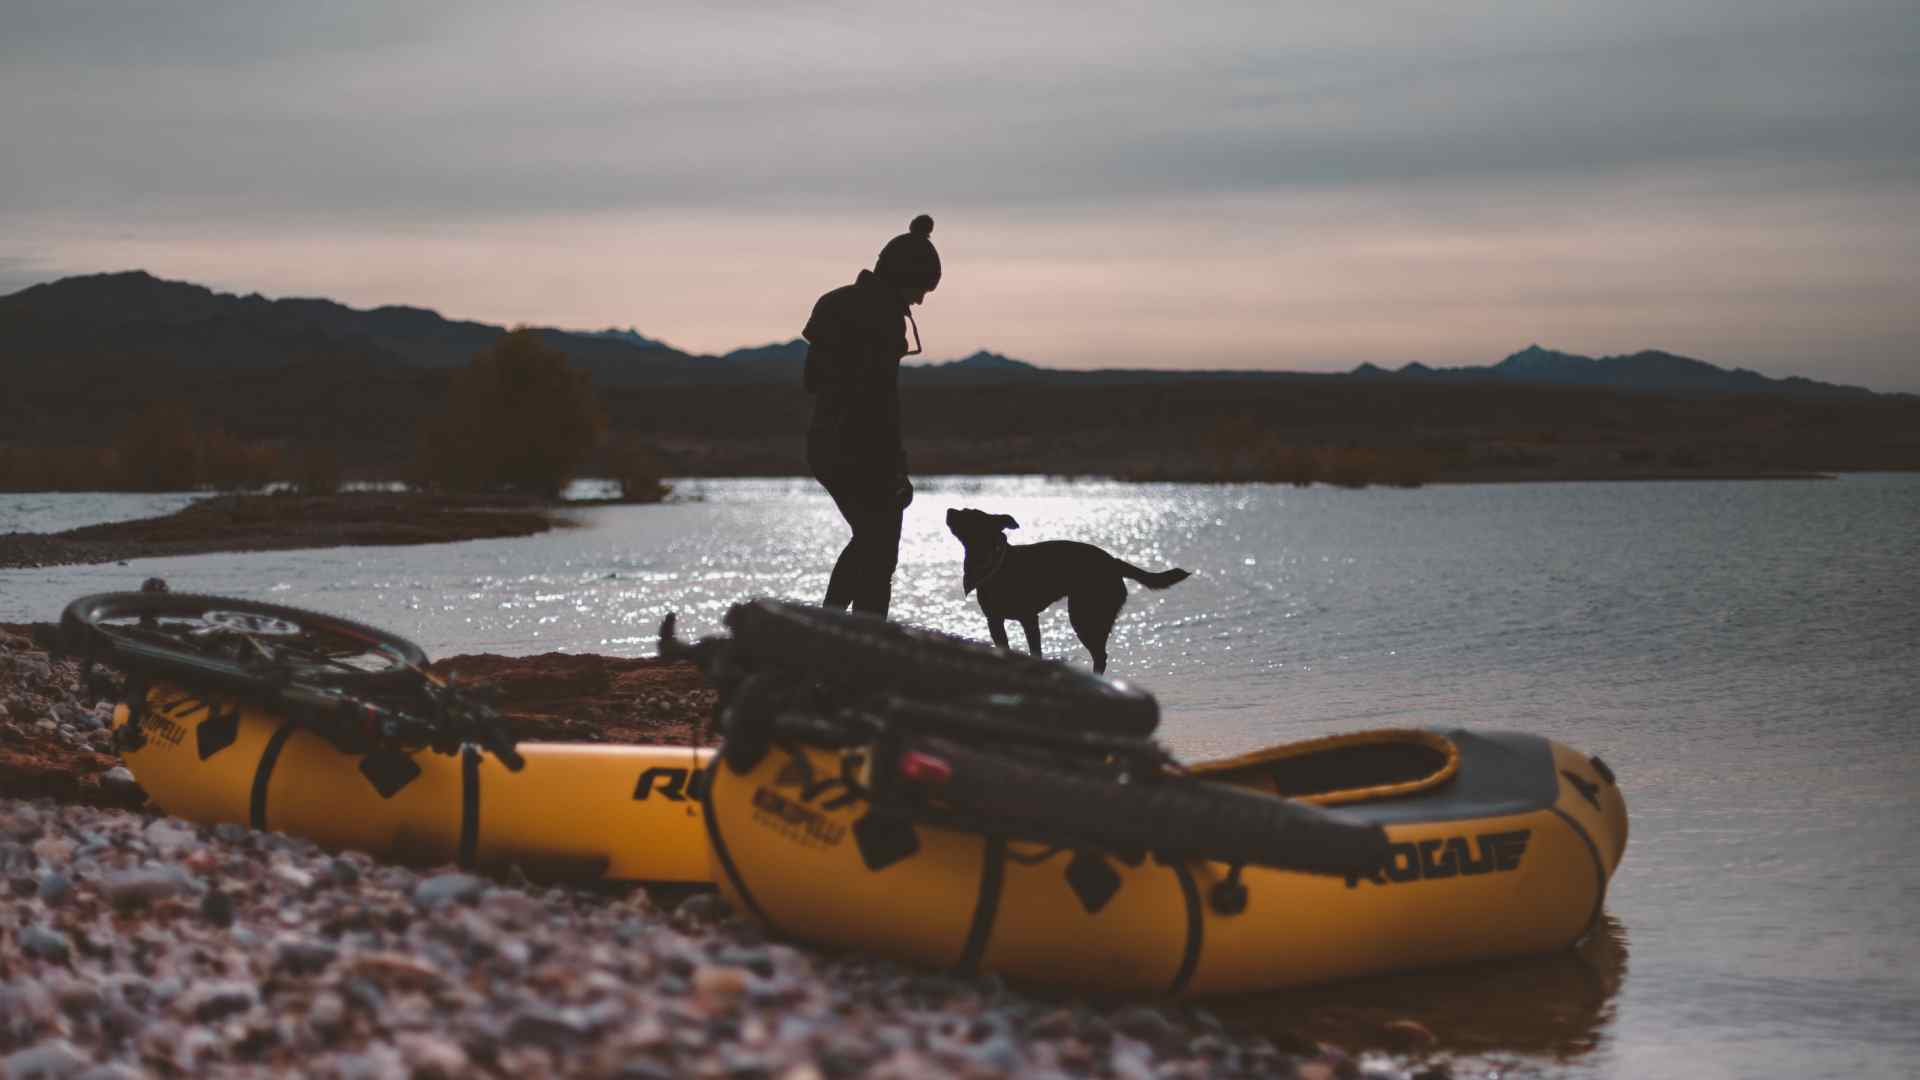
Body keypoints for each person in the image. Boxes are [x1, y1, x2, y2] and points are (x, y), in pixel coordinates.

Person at [802, 214, 941, 617]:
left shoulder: (835, 302)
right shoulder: (882, 316)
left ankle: (831, 629)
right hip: (861, 449)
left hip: (825, 444)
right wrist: (895, 468)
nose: (920, 300)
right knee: (879, 550)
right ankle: (865, 643)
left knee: (869, 539)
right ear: (903, 278)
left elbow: (812, 380)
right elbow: (882, 402)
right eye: (920, 290)